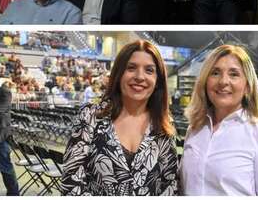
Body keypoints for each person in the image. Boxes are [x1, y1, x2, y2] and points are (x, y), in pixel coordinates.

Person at [59, 40, 178, 195]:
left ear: (157, 81)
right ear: (119, 74)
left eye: (149, 70)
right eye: (131, 68)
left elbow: (169, 186)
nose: (140, 77)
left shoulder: (164, 124)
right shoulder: (90, 116)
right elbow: (70, 182)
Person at [181, 44, 258, 195]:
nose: (223, 81)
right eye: (215, 73)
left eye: (234, 74)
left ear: (247, 86)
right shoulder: (194, 129)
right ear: (205, 81)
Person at [0, 80, 20, 196]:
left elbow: (1, 112)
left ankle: (13, 194)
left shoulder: (4, 92)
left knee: (6, 167)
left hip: (0, 136)